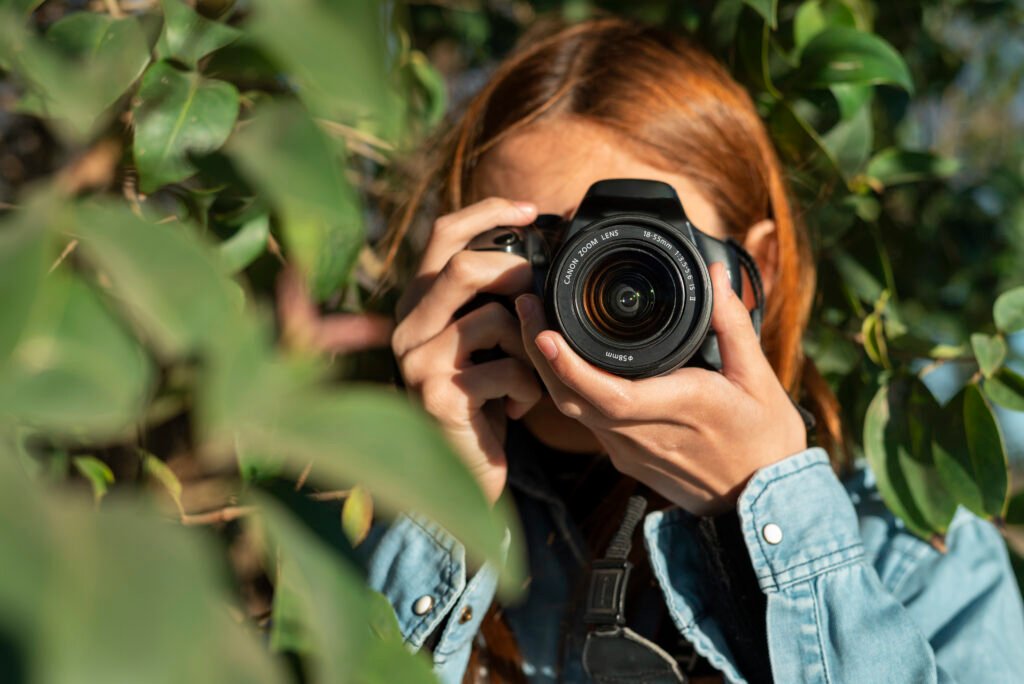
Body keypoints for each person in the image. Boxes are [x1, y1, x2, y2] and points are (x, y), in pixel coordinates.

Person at [363, 16, 1024, 684]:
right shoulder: (362, 498)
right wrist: (441, 504)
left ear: (752, 269)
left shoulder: (913, 544)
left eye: (643, 246)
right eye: (548, 249)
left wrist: (764, 529)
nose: (584, 293)